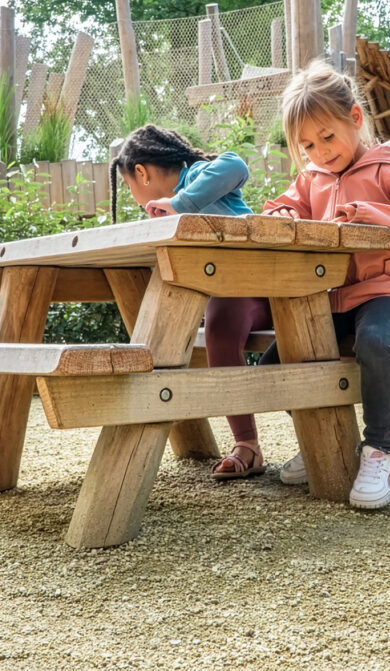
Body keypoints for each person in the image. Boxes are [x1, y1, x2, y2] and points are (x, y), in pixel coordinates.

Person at [256, 59, 390, 508]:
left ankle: (380, 449)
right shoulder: (311, 177)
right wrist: (281, 213)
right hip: (334, 298)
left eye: (328, 136)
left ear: (355, 119)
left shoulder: (389, 166)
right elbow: (281, 206)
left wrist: (372, 212)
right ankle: (324, 437)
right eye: (307, 145)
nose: (321, 151)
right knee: (273, 364)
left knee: (375, 339)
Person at [109, 124, 271, 479]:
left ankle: (247, 443)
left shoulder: (195, 176)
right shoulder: (161, 211)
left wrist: (180, 203)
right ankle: (247, 444)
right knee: (207, 332)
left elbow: (235, 166)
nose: (132, 195)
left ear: (141, 172)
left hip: (264, 285)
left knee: (218, 330)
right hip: (225, 293)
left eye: (128, 186)